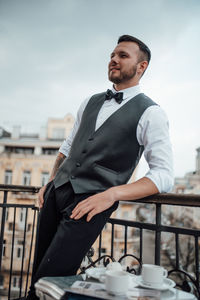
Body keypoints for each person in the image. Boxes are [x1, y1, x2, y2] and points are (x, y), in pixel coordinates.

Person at [26, 35, 173, 299]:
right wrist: (49, 182)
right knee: (38, 273)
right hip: (55, 194)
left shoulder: (152, 113)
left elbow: (163, 175)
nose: (114, 60)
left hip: (91, 203)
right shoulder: (90, 101)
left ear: (142, 67)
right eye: (112, 55)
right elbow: (67, 148)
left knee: (49, 279)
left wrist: (113, 194)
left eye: (123, 56)